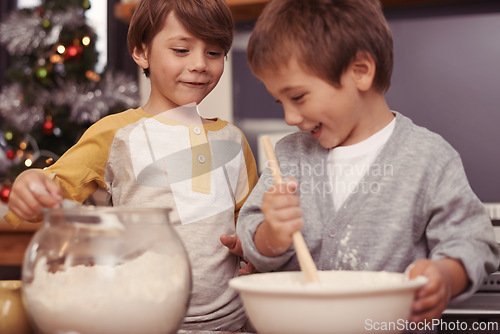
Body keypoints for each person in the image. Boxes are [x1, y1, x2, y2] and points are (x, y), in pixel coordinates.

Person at [236, 0, 499, 326]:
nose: (289, 117)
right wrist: (273, 234)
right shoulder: (290, 156)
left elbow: (472, 241)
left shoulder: (429, 158)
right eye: (281, 101)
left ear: (360, 71)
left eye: (299, 97)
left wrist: (445, 275)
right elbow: (251, 235)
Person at [5, 0, 258, 331]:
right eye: (181, 50)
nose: (199, 64)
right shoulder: (117, 133)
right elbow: (53, 190)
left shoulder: (233, 139)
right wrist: (31, 183)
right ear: (141, 53)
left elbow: (250, 221)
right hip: (141, 319)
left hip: (231, 322)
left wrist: (254, 248)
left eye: (214, 53)